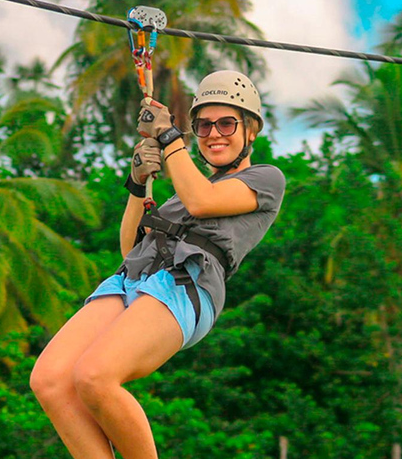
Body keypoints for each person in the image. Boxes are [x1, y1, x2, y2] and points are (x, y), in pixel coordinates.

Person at [30, 70, 286, 459]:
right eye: (203, 125)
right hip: (133, 279)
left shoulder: (265, 179)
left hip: (185, 284)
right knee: (50, 380)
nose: (214, 133)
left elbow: (202, 201)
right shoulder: (180, 195)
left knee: (95, 377)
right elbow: (130, 246)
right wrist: (138, 181)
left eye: (226, 123)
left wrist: (169, 139)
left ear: (250, 130)